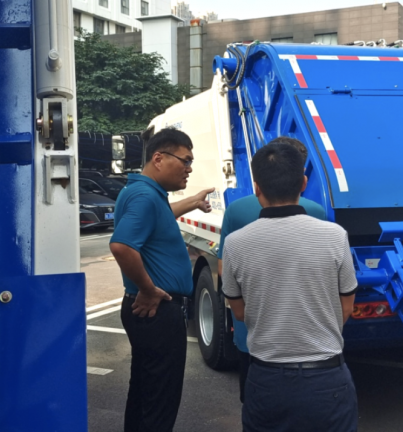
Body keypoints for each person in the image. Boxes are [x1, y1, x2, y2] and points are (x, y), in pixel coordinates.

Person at [221, 143, 358, 432]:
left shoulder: (236, 243)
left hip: (265, 379)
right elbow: (346, 306)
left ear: (256, 187)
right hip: (327, 377)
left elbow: (240, 311)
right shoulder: (335, 236)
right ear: (304, 183)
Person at [109, 128, 213, 432]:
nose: (189, 168)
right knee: (160, 400)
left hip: (149, 312)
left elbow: (162, 214)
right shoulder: (144, 195)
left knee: (144, 391)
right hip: (157, 310)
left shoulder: (144, 193)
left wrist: (192, 202)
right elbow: (122, 246)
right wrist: (147, 288)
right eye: (185, 160)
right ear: (158, 158)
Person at [217, 136, 327, 403]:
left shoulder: (236, 210)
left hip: (254, 339)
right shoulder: (317, 213)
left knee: (259, 408)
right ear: (302, 178)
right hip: (309, 342)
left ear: (258, 184)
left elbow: (224, 271)